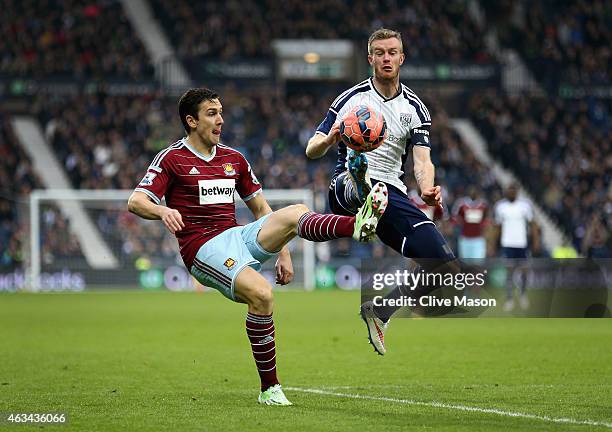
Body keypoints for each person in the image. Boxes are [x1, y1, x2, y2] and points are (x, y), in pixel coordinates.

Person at [128, 87, 388, 405]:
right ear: (191, 121)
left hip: (237, 236)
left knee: (293, 212)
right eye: (212, 113)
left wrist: (284, 253)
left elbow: (263, 210)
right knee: (262, 295)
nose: (221, 119)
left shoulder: (233, 159)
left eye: (221, 112)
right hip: (202, 248)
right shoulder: (172, 158)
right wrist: (163, 210)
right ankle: (270, 389)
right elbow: (136, 201)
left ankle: (359, 225)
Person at [306, 28, 458, 355]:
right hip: (344, 187)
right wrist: (330, 138)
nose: (386, 57)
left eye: (392, 52)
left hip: (392, 192)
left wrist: (428, 188)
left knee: (445, 268)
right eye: (380, 52)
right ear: (370, 58)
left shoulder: (415, 109)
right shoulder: (349, 100)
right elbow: (311, 149)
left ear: (402, 58)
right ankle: (362, 187)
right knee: (357, 176)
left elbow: (422, 161)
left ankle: (381, 311)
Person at [492, 183, 540, 311]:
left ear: (517, 191)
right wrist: (492, 244)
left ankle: (523, 294)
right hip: (507, 244)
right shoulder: (500, 207)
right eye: (509, 190)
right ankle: (509, 299)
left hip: (522, 244)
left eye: (513, 190)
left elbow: (533, 224)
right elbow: (497, 227)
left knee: (524, 271)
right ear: (506, 191)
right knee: (509, 272)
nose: (511, 192)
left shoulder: (525, 206)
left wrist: (536, 241)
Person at [451, 186, 489, 260]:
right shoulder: (461, 204)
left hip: (478, 238)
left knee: (478, 262)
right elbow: (454, 218)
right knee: (465, 262)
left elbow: (486, 220)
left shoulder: (483, 205)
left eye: (475, 191)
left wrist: (486, 236)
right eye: (471, 191)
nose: (473, 193)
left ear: (479, 193)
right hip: (465, 238)